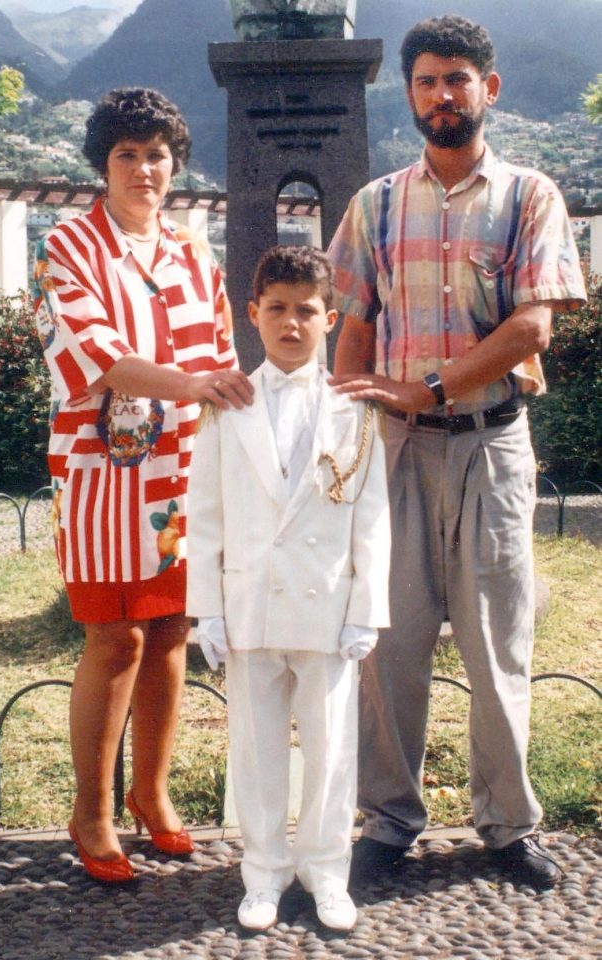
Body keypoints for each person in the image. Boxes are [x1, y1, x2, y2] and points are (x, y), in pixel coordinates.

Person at [327, 15, 587, 889]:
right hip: (394, 453)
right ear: (409, 95)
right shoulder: (375, 204)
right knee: (385, 643)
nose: (443, 94)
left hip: (487, 446)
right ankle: (388, 819)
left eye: (458, 79)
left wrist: (428, 387)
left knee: (493, 642)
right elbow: (353, 326)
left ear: (490, 89)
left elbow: (532, 324)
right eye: (427, 80)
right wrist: (349, 431)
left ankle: (507, 824)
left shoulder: (528, 196)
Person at [34, 87, 253, 883]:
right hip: (99, 471)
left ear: (174, 162)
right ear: (104, 163)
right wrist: (194, 385)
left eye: (156, 153)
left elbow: (222, 348)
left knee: (169, 633)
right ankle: (90, 810)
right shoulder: (67, 245)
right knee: (114, 636)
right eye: (126, 154)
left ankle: (150, 795)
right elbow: (94, 356)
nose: (143, 168)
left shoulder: (193, 253)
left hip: (182, 470)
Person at [186, 246, 390, 931]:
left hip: (325, 605)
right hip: (250, 603)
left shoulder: (352, 408)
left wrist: (366, 610)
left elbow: (371, 518)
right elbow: (206, 514)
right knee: (256, 745)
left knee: (332, 749)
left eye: (306, 310)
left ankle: (327, 871)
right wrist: (205, 611)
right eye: (276, 308)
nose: (291, 323)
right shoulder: (226, 404)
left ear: (329, 318)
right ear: (253, 314)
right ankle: (264, 870)